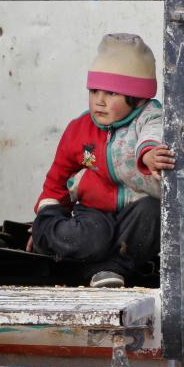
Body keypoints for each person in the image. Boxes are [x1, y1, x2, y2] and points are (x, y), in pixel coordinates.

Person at [29, 34, 175, 288]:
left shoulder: (149, 116)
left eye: (111, 93)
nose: (100, 100)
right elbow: (58, 179)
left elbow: (154, 133)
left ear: (137, 98)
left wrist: (149, 154)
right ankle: (49, 239)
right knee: (94, 236)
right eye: (94, 91)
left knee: (153, 212)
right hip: (94, 213)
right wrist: (47, 217)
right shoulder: (79, 129)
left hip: (134, 211)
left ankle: (109, 270)